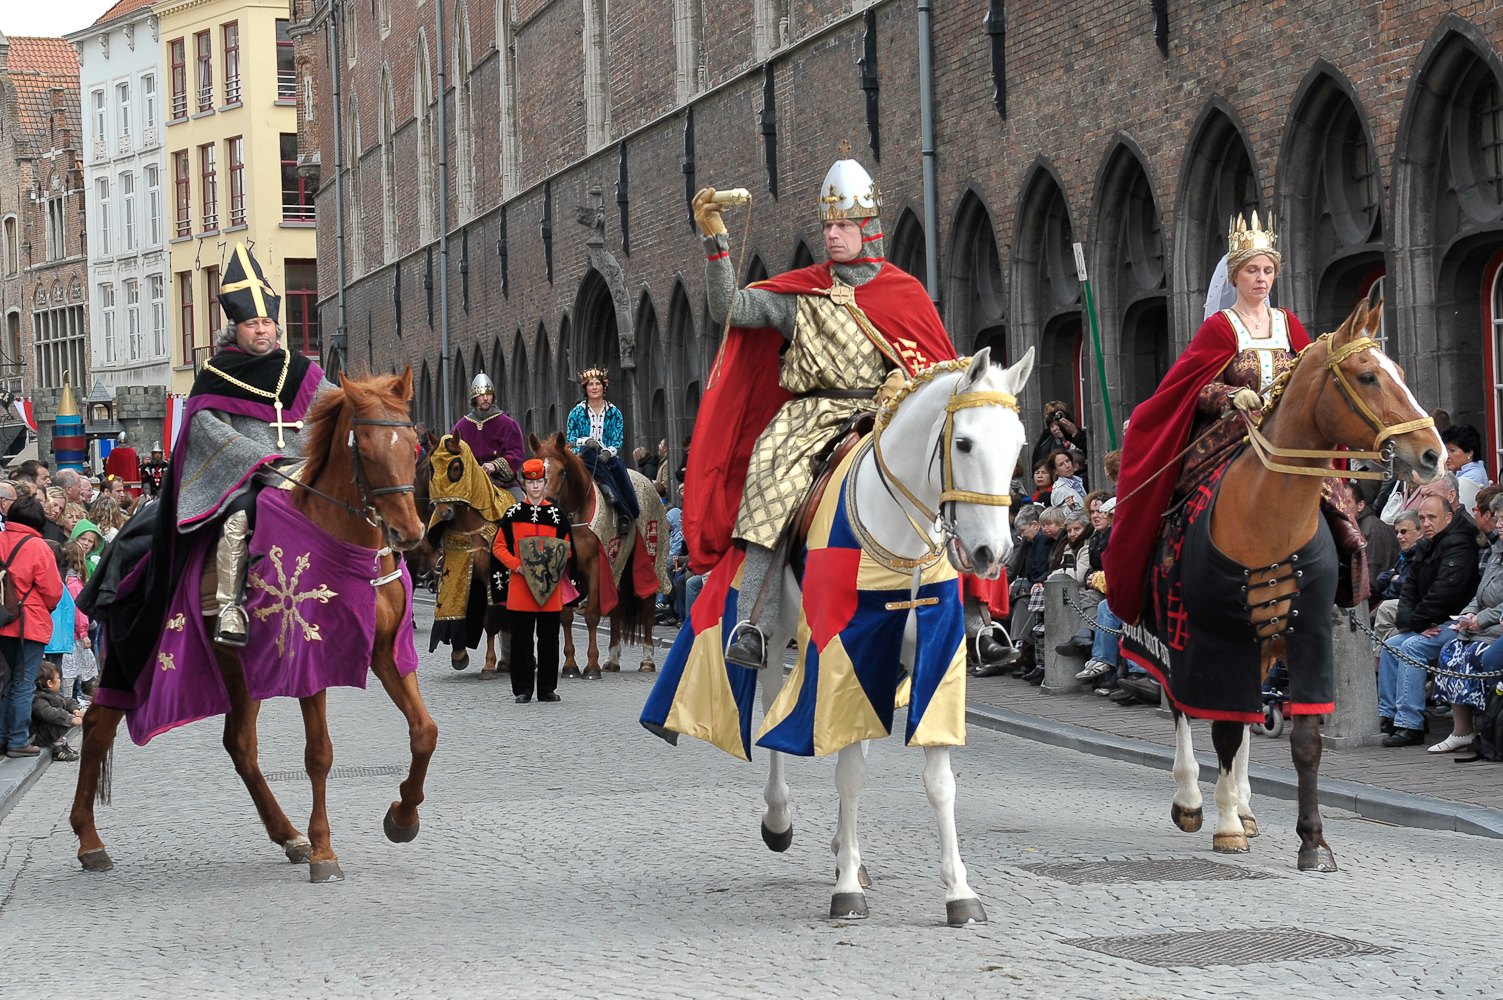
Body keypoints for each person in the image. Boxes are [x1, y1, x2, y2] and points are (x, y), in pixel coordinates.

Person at [685, 146, 956, 669]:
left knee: (949, 472)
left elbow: (934, 370)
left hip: (885, 412)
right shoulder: (803, 295)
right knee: (771, 478)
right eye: (828, 225)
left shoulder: (905, 293)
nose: (832, 234)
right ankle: (756, 625)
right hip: (811, 417)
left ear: (868, 226)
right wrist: (715, 238)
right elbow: (731, 309)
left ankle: (977, 619)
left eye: (845, 224)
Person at [86, 240, 325, 699]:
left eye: (269, 322)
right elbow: (207, 430)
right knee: (240, 515)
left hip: (305, 470)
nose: (263, 330)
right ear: (235, 328)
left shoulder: (301, 369)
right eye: (254, 323)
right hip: (247, 477)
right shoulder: (217, 374)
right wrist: (258, 459)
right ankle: (231, 605)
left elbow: (334, 407)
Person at [1106, 211, 1364, 627]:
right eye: (1251, 270)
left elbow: (1309, 379)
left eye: (1267, 270)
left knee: (1328, 489)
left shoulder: (1289, 324)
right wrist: (1230, 393)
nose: (1260, 278)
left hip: (1284, 435)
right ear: (1235, 277)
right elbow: (1191, 387)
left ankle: (1338, 561)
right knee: (1194, 493)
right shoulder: (1220, 328)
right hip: (1232, 435)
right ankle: (1177, 558)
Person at [1377, 495, 1482, 747]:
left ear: (1448, 518)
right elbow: (1409, 589)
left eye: (1431, 517)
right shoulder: (1426, 544)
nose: (1425, 523)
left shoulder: (1460, 543)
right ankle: (1391, 715)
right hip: (1429, 623)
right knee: (1393, 644)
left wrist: (1419, 624)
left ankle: (1410, 724)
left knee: (1412, 647)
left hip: (1456, 622)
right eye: (1422, 518)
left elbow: (1445, 591)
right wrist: (1411, 624)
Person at [491, 459, 571, 704]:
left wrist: (552, 564)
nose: (535, 487)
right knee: (522, 642)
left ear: (545, 483)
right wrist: (517, 565)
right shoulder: (513, 514)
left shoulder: (557, 515)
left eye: (539, 482)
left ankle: (547, 688)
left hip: (549, 589)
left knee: (549, 640)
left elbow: (567, 548)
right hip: (520, 589)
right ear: (524, 484)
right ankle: (523, 689)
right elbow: (498, 546)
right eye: (531, 482)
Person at [1430, 492, 1503, 754]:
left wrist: (1480, 620)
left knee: (1476, 656)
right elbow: (1480, 593)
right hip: (1482, 625)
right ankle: (1462, 730)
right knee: (1451, 651)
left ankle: (1491, 726)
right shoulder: (1497, 553)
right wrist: (1468, 614)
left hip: (1495, 629)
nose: (1499, 526)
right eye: (1498, 520)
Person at [0, 495, 64, 757]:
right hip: (29, 623)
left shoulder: (0, 539)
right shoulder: (38, 546)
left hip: (3, 618)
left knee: (8, 682)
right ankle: (17, 739)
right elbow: (52, 590)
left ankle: (4, 736)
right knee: (24, 683)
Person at [566, 367, 640, 535]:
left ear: (603, 387)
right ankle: (607, 491)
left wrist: (608, 452)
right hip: (582, 455)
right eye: (590, 384)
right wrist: (586, 441)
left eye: (597, 384)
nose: (594, 387)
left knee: (620, 473)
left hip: (607, 456)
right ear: (585, 388)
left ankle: (624, 513)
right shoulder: (576, 413)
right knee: (587, 456)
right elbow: (571, 438)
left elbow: (617, 439)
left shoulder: (614, 413)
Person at [452, 373, 525, 496]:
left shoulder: (508, 424)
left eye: (488, 394)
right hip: (470, 483)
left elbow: (517, 452)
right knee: (443, 511)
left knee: (522, 509)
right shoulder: (461, 426)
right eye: (481, 395)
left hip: (502, 483)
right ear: (475, 398)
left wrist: (495, 465)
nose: (485, 398)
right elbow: (452, 453)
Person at [30, 662, 82, 762]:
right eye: (58, 678)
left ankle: (61, 743)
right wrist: (70, 719)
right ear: (49, 683)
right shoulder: (38, 699)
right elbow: (48, 713)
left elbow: (67, 700)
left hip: (43, 733)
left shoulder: (54, 694)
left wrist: (74, 709)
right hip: (36, 736)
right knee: (56, 717)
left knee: (61, 714)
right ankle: (57, 749)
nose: (60, 681)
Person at [1032, 401, 1088, 475]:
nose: (1055, 428)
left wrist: (1075, 433)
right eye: (1047, 415)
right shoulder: (1046, 439)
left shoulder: (1075, 434)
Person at [1442, 423, 1489, 488]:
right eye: (1445, 450)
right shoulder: (1472, 472)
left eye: (1452, 451)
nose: (1447, 456)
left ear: (1469, 453)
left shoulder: (1470, 478)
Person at [104, 431, 142, 497]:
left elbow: (110, 470)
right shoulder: (132, 451)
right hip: (131, 486)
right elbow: (136, 470)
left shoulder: (114, 452)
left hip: (117, 487)